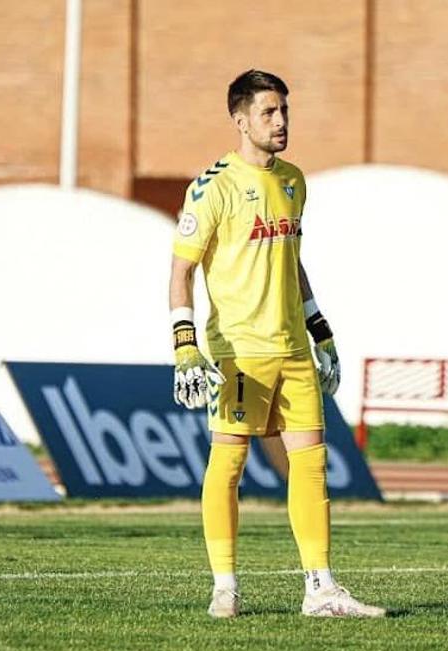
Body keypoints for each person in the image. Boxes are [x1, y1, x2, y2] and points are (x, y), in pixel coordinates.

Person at [168, 69, 385, 619]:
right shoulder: (212, 186)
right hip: (239, 351)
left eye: (284, 110)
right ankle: (225, 587)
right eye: (269, 112)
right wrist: (185, 347)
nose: (281, 121)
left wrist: (322, 332)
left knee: (311, 464)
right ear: (240, 119)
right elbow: (180, 273)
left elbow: (292, 261)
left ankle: (321, 589)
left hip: (292, 350)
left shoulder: (294, 180)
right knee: (230, 464)